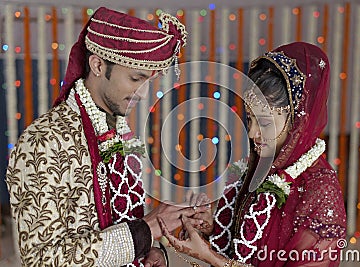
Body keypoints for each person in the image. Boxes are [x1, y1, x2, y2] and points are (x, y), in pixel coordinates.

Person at [6, 7, 209, 267]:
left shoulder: (118, 129)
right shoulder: (45, 141)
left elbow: (118, 216)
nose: (145, 94)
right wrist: (144, 231)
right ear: (98, 65)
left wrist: (151, 249)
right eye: (136, 78)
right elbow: (40, 259)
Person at [159, 42, 347, 266]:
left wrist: (211, 258)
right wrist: (213, 227)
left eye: (265, 122)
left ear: (298, 121)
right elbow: (248, 247)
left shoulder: (320, 189)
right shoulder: (258, 167)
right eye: (250, 119)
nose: (252, 133)